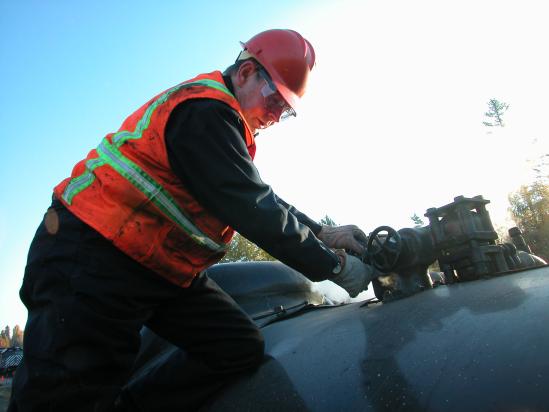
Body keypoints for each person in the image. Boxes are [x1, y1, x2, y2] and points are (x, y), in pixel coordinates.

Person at [9, 29, 378, 411]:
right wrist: (333, 266)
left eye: (285, 110)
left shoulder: (222, 122)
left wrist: (324, 232)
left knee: (235, 347)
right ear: (246, 72)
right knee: (61, 398)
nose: (274, 115)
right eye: (274, 98)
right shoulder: (202, 111)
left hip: (157, 268)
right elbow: (253, 207)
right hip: (92, 255)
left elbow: (258, 196)